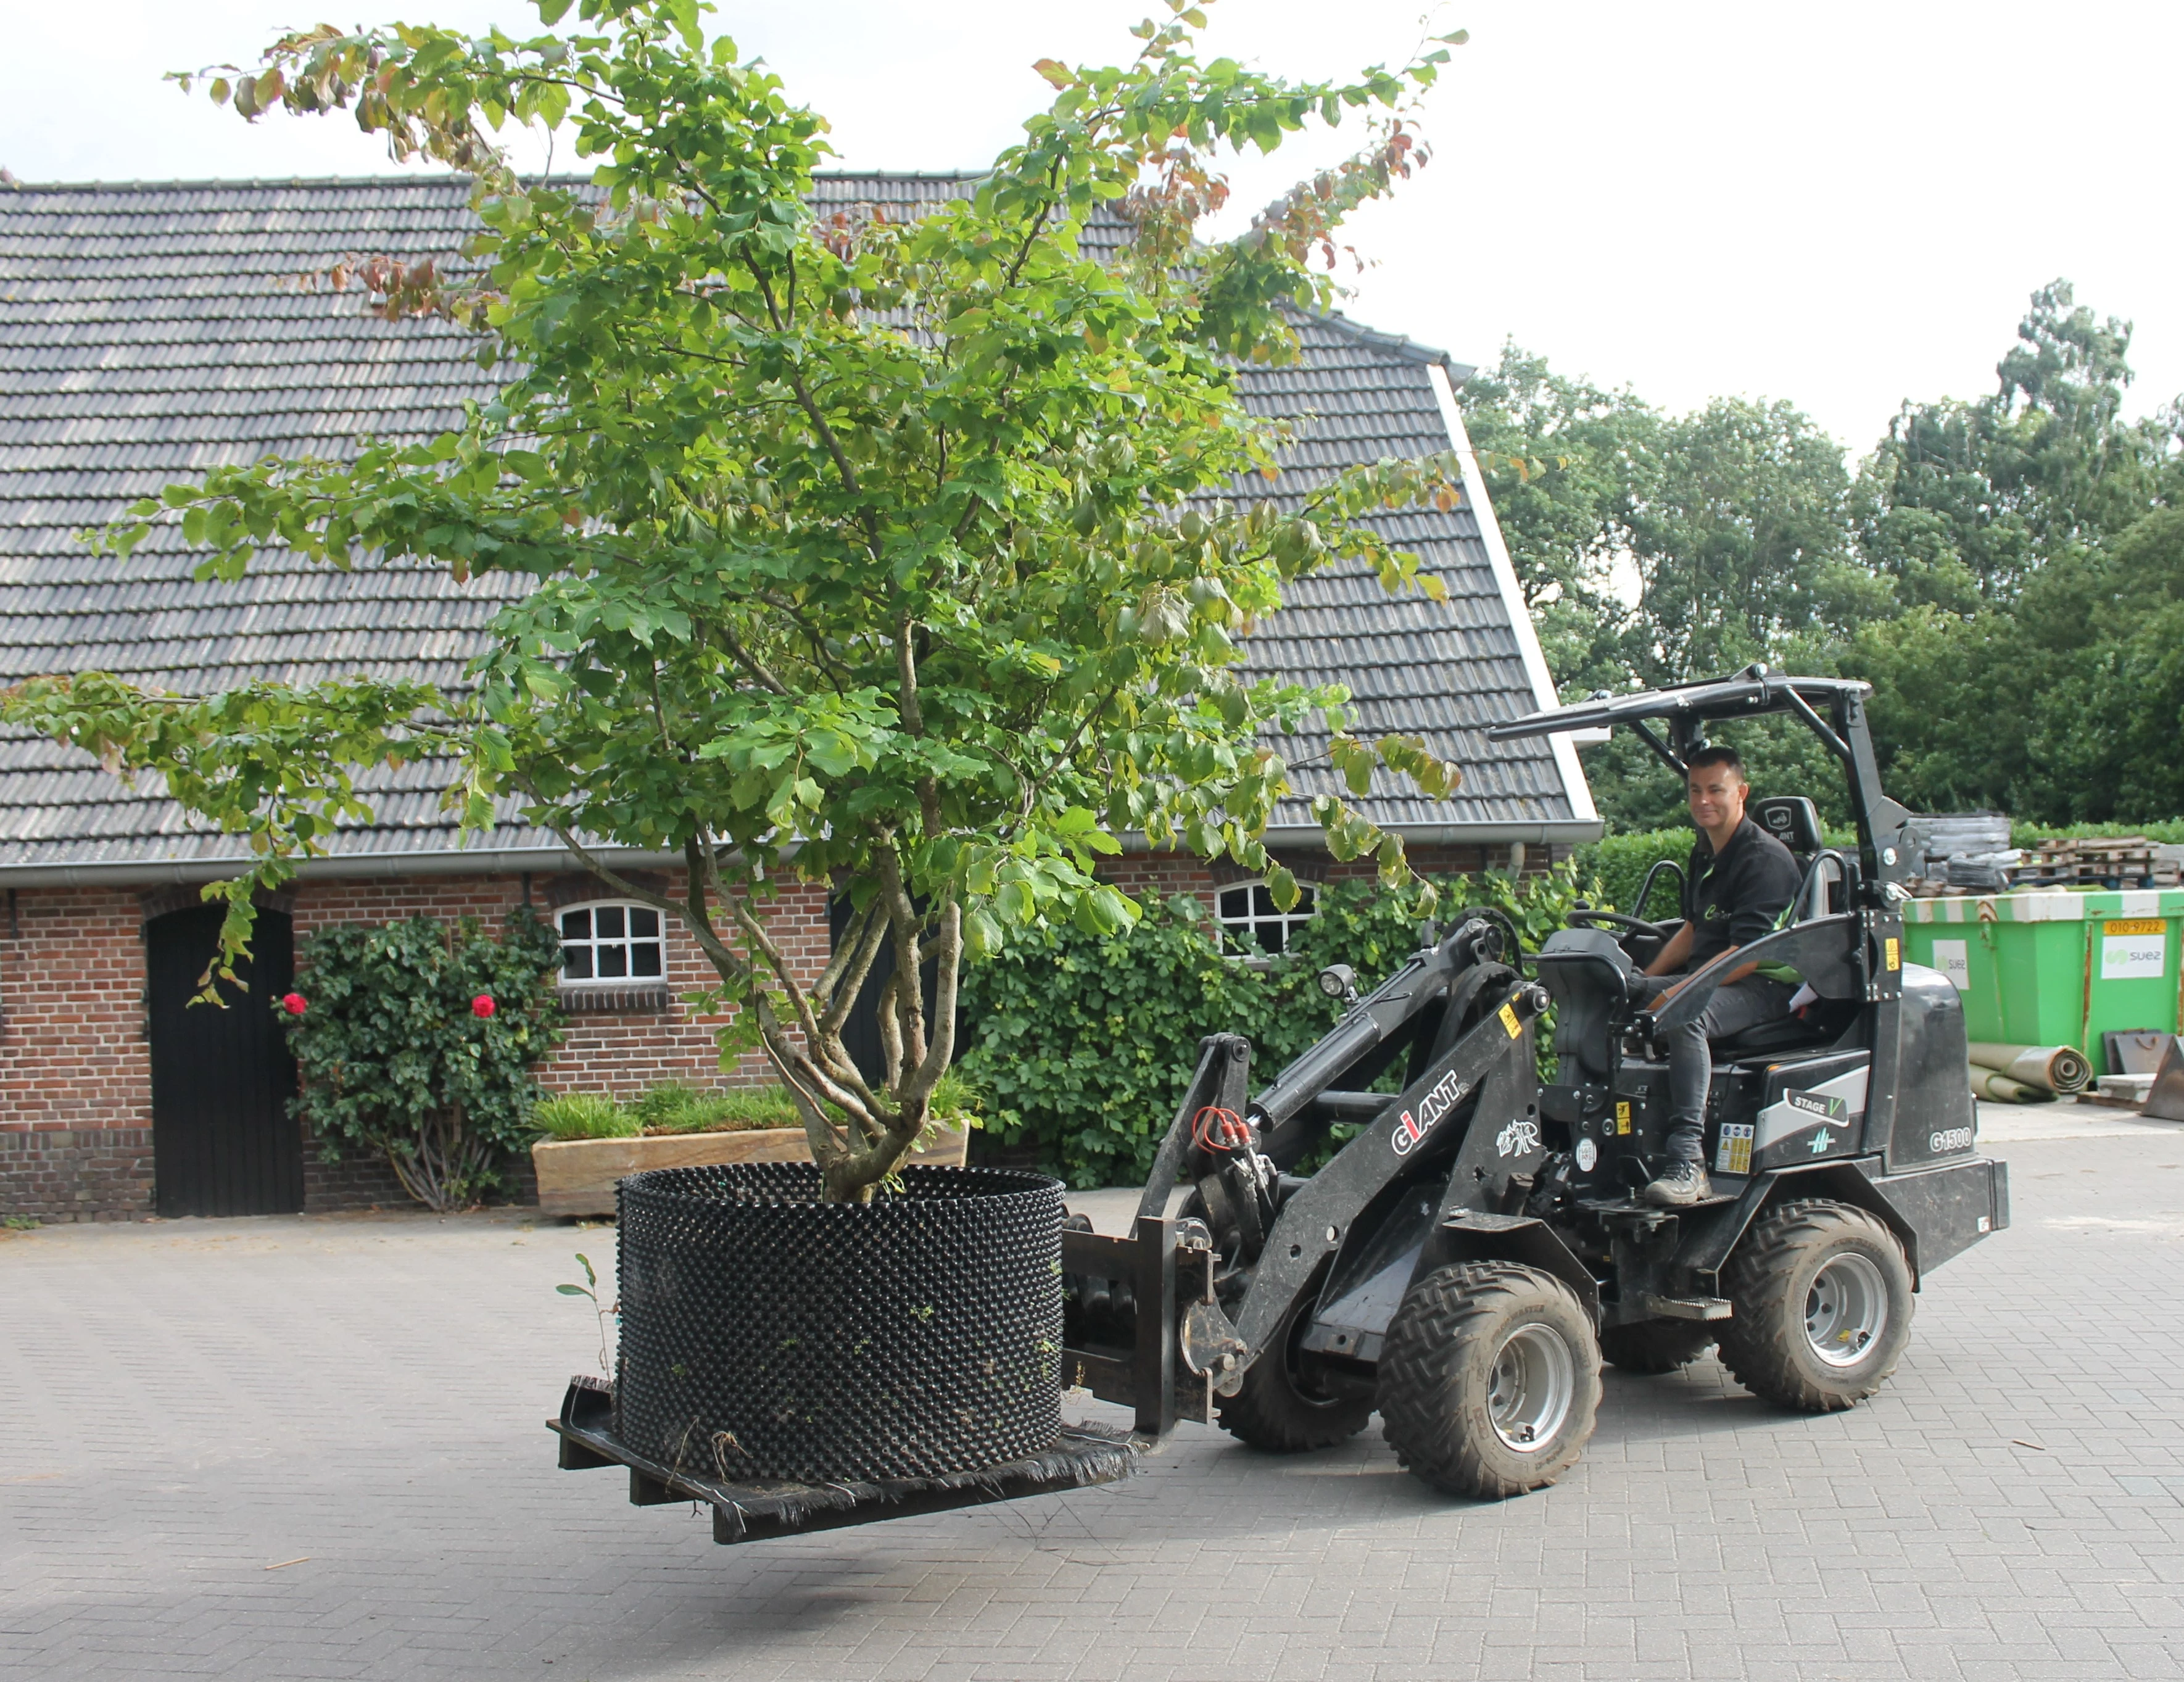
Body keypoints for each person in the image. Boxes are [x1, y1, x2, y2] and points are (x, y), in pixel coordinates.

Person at [1639, 745, 1802, 1208]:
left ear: (1742, 792)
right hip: (1716, 976)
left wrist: (1673, 994)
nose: (1703, 800)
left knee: (1685, 1013)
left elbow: (1744, 958)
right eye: (1695, 790)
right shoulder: (1706, 853)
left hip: (1766, 986)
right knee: (1614, 990)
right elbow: (1694, 930)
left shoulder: (1764, 860)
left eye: (1715, 789)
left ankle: (1689, 1161)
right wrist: (1642, 980)